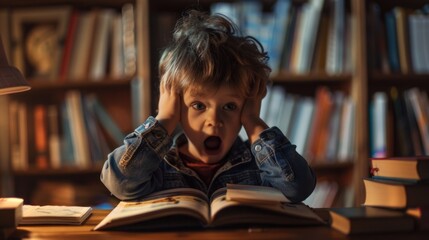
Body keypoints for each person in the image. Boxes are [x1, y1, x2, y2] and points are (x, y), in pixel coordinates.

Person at [100, 10, 316, 203]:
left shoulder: (260, 167)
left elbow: (298, 187)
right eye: (198, 105)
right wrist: (164, 119)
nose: (214, 120)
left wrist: (253, 121)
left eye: (230, 106)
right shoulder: (158, 167)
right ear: (176, 106)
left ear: (247, 106)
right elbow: (120, 181)